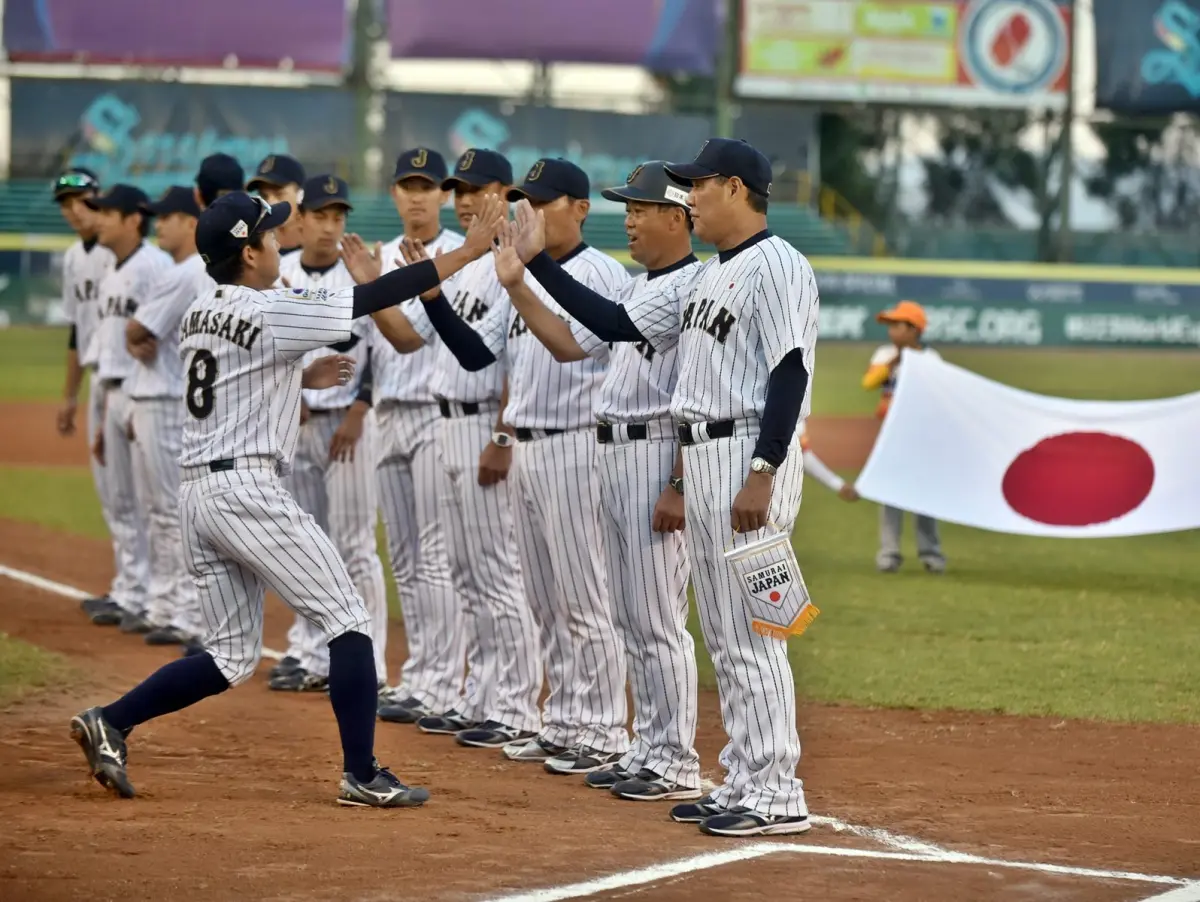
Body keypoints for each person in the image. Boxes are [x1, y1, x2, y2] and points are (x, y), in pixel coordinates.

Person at [69, 190, 505, 806]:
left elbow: (233, 378)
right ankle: (362, 773)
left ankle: (111, 720)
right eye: (270, 236)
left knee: (228, 655)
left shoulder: (202, 307)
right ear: (248, 254)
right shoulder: (269, 309)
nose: (281, 240)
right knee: (348, 620)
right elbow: (372, 297)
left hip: (198, 491)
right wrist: (466, 251)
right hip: (245, 489)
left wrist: (297, 376)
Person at [503, 139, 818, 837]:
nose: (689, 197)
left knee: (756, 633)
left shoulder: (780, 265)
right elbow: (615, 323)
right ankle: (746, 778)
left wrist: (764, 469)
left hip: (746, 453)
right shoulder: (706, 277)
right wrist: (533, 267)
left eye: (696, 186)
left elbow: (789, 371)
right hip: (706, 451)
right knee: (728, 637)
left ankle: (775, 790)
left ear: (734, 188)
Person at [484, 162, 704, 800]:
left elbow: (694, 395)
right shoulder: (641, 284)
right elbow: (569, 344)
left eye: (639, 208)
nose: (629, 219)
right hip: (608, 449)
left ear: (676, 215)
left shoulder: (686, 286)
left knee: (650, 616)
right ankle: (640, 744)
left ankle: (653, 748)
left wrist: (679, 483)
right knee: (624, 613)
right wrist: (518, 281)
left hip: (648, 449)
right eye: (626, 208)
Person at [410, 158, 632, 774]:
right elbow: (499, 366)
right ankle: (562, 719)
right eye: (525, 200)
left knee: (585, 596)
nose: (528, 210)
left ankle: (604, 726)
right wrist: (505, 434)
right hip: (531, 444)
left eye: (544, 200)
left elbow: (571, 350)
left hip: (578, 443)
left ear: (581, 208)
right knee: (543, 597)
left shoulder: (600, 274)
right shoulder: (518, 268)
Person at [350, 147, 541, 746]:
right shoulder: (466, 265)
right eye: (459, 191)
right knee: (462, 570)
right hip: (442, 420)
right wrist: (375, 289)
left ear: (507, 194)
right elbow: (414, 340)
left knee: (494, 571)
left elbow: (516, 358)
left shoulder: (515, 261)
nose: (464, 201)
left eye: (475, 190)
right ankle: (479, 694)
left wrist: (504, 432)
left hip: (484, 422)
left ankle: (513, 705)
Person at [271, 175, 389, 693]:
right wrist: (289, 397)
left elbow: (380, 349)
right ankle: (307, 652)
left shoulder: (356, 274)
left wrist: (359, 411)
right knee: (302, 543)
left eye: (338, 216)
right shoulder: (283, 271)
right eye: (320, 215)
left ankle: (374, 664)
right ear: (301, 219)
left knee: (355, 544)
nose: (330, 225)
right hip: (296, 425)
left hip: (349, 425)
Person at [368, 148, 470, 724]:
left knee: (435, 554)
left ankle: (441, 680)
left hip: (435, 412)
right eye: (407, 185)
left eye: (426, 186)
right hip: (388, 413)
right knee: (404, 556)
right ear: (394, 194)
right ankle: (420, 674)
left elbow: (422, 338)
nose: (416, 195)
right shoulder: (380, 257)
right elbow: (364, 343)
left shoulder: (461, 256)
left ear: (443, 196)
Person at [123, 187, 208, 646]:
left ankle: (183, 611)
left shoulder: (187, 270)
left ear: (191, 222)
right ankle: (167, 605)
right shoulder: (192, 269)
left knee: (170, 512)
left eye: (167, 217)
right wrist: (132, 336)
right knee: (165, 511)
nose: (159, 224)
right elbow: (137, 332)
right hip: (166, 397)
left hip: (167, 398)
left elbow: (138, 328)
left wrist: (131, 335)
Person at [86, 185, 173, 634]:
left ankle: (158, 599)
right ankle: (130, 590)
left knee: (152, 503)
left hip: (144, 391)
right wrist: (100, 411)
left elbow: (160, 331)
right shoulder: (109, 268)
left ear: (133, 219)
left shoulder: (155, 265)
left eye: (106, 213)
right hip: (111, 388)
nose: (97, 219)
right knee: (120, 500)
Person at [52, 168, 120, 624]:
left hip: (130, 380)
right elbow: (77, 329)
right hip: (98, 377)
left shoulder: (121, 255)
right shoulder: (75, 258)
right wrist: (69, 396)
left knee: (136, 494)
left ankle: (148, 590)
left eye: (82, 200)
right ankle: (129, 585)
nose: (74, 210)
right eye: (66, 203)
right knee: (111, 490)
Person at [862, 301, 945, 573]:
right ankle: (889, 555)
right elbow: (869, 383)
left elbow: (937, 397)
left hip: (921, 438)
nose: (892, 332)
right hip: (890, 437)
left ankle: (931, 554)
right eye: (891, 326)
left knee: (925, 496)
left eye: (897, 326)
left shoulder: (931, 359)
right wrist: (896, 359)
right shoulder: (884, 354)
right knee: (890, 495)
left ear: (914, 330)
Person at [246, 154, 307, 258]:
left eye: (279, 194)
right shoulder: (252, 250)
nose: (270, 203)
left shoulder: (326, 247)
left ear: (300, 194)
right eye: (264, 196)